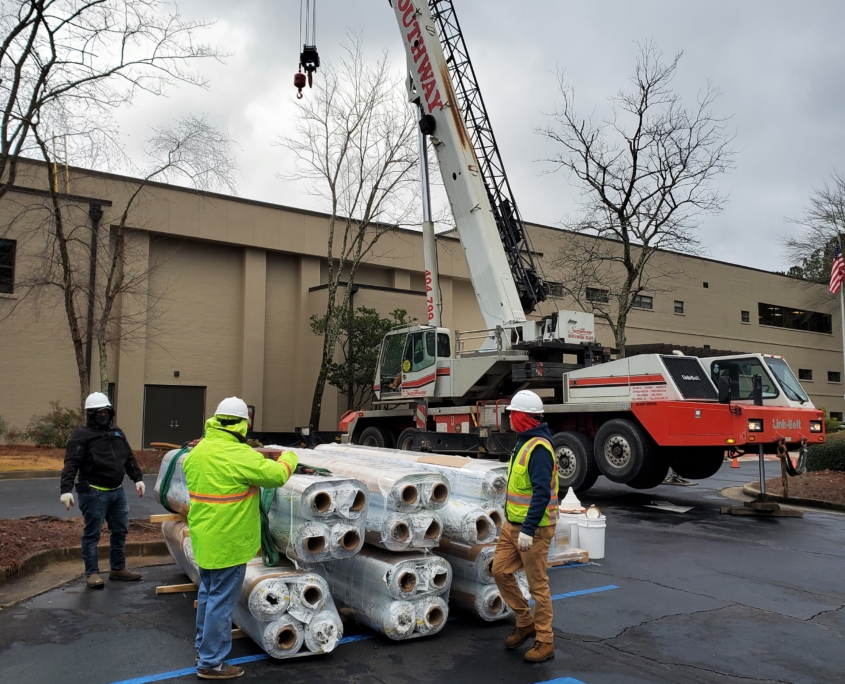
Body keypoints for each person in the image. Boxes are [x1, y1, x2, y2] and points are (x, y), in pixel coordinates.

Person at [185, 397, 298, 680]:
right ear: (241, 424)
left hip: (205, 538)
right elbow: (275, 476)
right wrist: (289, 457)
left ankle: (204, 652)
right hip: (229, 542)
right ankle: (211, 663)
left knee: (209, 597)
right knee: (221, 604)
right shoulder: (239, 455)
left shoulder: (198, 452)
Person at [492, 389, 559, 664]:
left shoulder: (539, 448)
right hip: (512, 526)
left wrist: (529, 530)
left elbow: (542, 493)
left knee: (537, 586)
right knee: (499, 571)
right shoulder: (524, 442)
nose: (509, 419)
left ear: (524, 418)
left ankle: (545, 640)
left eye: (512, 414)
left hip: (534, 528)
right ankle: (524, 621)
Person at [59, 392, 146, 589]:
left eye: (106, 411)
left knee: (120, 530)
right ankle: (92, 573)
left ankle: (118, 569)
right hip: (93, 492)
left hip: (117, 491)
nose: (103, 415)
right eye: (98, 412)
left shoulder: (116, 432)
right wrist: (66, 489)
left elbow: (128, 456)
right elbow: (71, 463)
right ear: (90, 414)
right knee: (92, 534)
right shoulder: (81, 436)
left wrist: (137, 478)